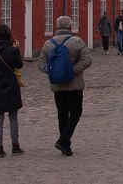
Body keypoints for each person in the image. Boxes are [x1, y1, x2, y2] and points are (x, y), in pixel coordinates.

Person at [38, 15, 92, 156]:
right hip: (74, 84)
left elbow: (41, 64)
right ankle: (63, 141)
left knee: (62, 114)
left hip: (57, 85)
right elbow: (87, 60)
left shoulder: (48, 44)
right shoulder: (76, 41)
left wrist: (52, 72)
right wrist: (72, 71)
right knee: (75, 112)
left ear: (57, 26)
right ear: (69, 26)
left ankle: (65, 144)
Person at [0, 24, 24, 158]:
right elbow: (19, 64)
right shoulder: (11, 50)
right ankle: (15, 145)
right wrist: (17, 49)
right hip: (10, 85)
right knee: (13, 116)